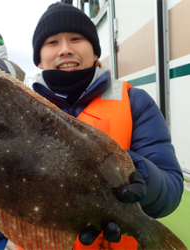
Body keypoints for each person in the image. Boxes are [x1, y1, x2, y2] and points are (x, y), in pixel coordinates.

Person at [21, 2, 183, 250]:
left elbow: (171, 191)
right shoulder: (22, 111)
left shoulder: (134, 101)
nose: (65, 49)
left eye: (76, 38)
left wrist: (137, 173)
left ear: (95, 51)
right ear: (39, 60)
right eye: (52, 42)